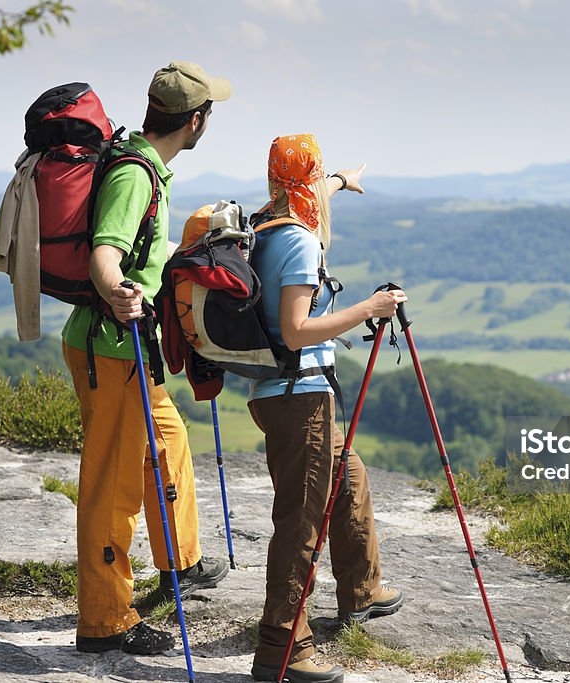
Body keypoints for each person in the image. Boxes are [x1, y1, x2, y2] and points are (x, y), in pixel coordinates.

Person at [61, 61, 232, 655]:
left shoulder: (146, 164)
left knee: (167, 443)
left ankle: (179, 562)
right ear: (195, 121)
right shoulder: (135, 175)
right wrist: (119, 292)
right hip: (112, 348)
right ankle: (105, 620)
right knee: (113, 483)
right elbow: (106, 253)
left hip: (131, 349)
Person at [247, 134, 408, 683]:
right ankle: (282, 650)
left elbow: (311, 192)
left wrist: (341, 179)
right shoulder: (298, 243)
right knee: (299, 523)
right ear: (305, 182)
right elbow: (295, 331)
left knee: (349, 472)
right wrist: (371, 306)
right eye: (319, 179)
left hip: (278, 394)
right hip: (300, 397)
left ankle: (361, 592)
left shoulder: (266, 222)